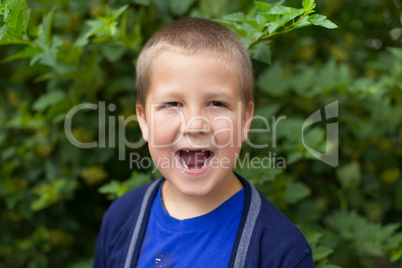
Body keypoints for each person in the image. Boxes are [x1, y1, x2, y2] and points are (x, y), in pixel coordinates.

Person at [93, 17, 314, 268]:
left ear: (245, 120)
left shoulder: (280, 252)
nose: (195, 125)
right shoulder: (121, 219)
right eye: (172, 104)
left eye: (217, 104)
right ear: (143, 120)